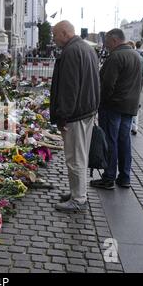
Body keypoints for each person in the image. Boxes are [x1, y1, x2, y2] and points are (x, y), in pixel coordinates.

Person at [50, 21, 100, 213]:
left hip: (76, 114)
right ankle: (77, 192)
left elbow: (69, 89)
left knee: (75, 157)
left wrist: (63, 116)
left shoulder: (71, 52)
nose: (54, 39)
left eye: (55, 35)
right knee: (79, 155)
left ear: (64, 33)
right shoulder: (86, 49)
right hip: (86, 111)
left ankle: (78, 198)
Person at [92, 29, 143, 190]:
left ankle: (108, 177)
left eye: (107, 42)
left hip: (113, 106)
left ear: (114, 40)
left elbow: (107, 85)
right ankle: (125, 177)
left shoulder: (115, 57)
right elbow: (140, 82)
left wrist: (100, 102)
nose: (106, 45)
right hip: (129, 107)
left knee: (110, 141)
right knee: (124, 141)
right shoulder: (137, 56)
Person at [127, 41, 143, 135]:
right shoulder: (140, 57)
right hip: (136, 86)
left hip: (133, 86)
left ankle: (134, 127)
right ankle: (134, 127)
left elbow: (142, 74)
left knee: (134, 107)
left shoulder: (138, 58)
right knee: (135, 107)